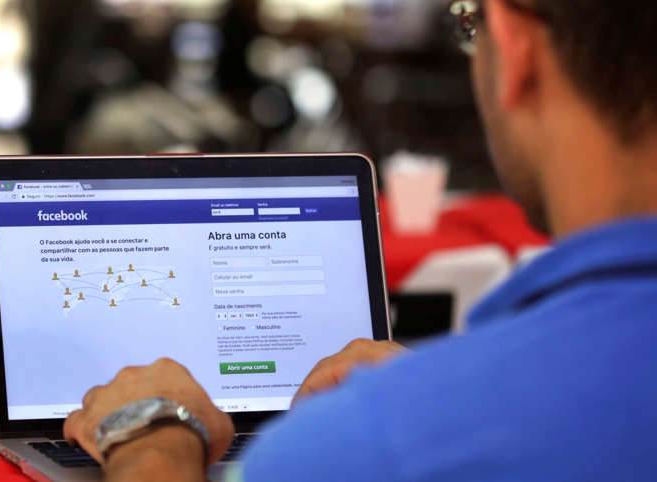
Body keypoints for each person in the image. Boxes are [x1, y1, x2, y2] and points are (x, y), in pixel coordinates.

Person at [64, 0, 657, 480]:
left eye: (469, 24)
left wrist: (152, 440)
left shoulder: (357, 450)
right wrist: (435, 390)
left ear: (516, 45)